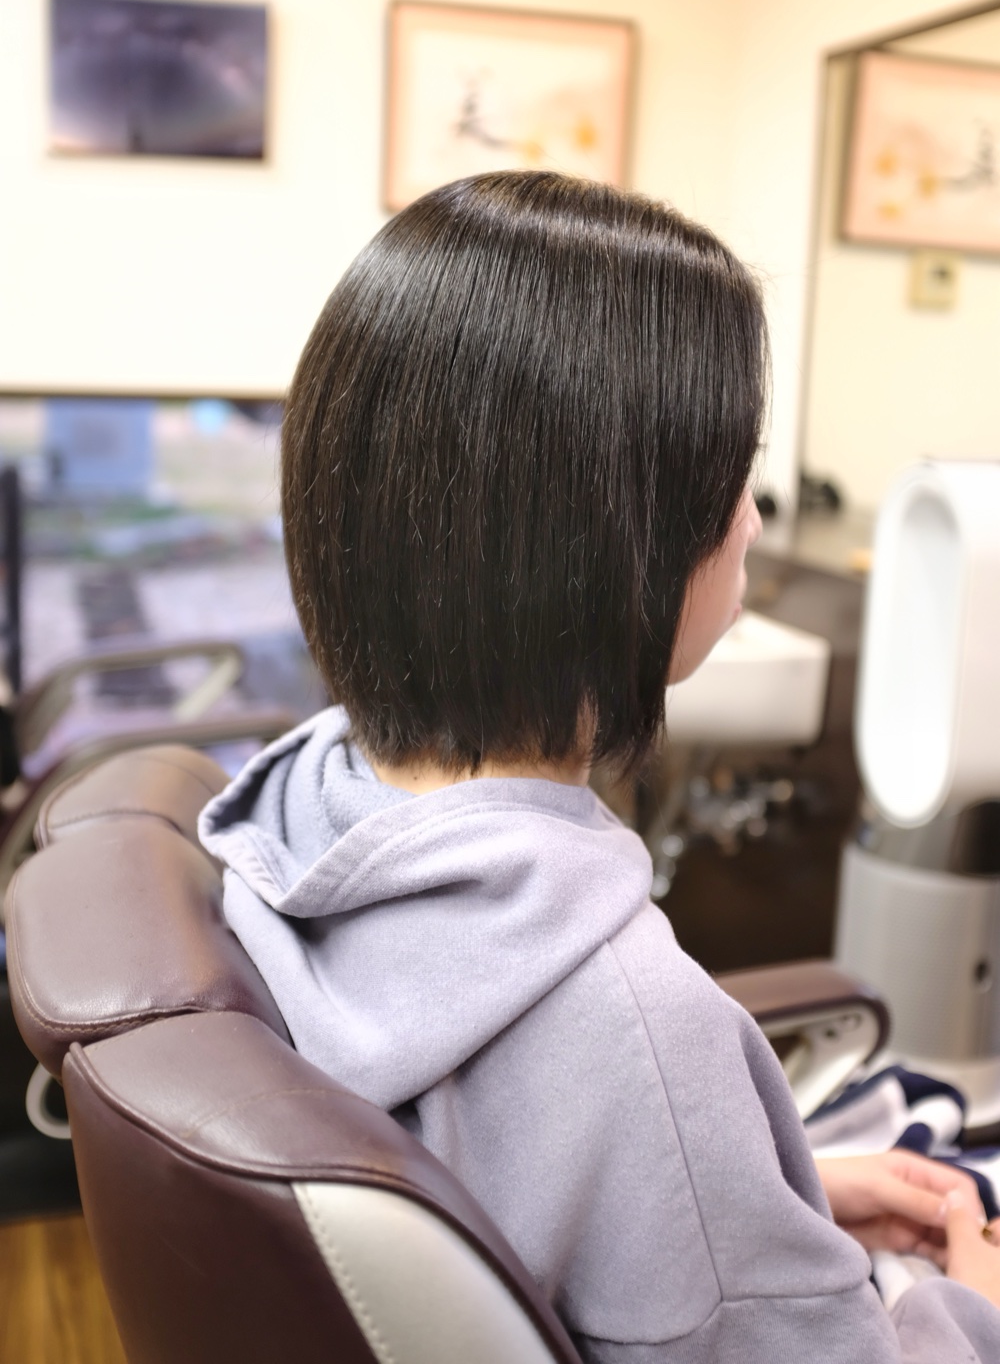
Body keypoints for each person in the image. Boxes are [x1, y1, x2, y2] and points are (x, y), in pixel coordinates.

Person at [200, 171, 1000, 1361]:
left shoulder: (299, 805)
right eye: (731, 470)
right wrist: (973, 1302)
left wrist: (761, 1200)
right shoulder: (638, 1029)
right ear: (606, 537)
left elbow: (546, 1184)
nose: (752, 519)